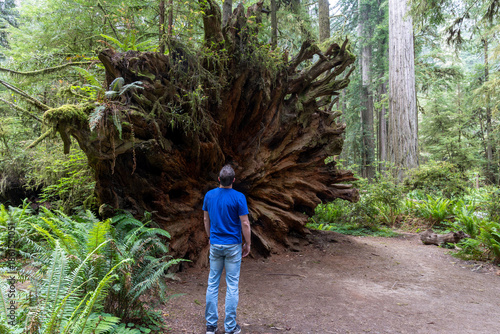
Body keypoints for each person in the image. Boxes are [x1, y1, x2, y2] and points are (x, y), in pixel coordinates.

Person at [203, 165, 251, 334]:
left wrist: (210, 237)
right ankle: (230, 327)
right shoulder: (239, 197)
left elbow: (206, 219)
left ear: (219, 179)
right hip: (233, 246)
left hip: (215, 244)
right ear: (233, 181)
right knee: (232, 285)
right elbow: (245, 223)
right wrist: (248, 243)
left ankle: (211, 325)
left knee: (213, 283)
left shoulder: (209, 196)